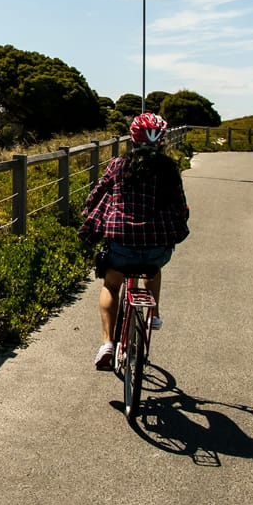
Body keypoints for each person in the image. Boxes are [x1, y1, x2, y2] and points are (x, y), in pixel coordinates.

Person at [78, 112, 190, 371]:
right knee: (153, 269)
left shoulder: (117, 165)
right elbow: (180, 208)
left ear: (133, 138)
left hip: (120, 243)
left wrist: (91, 217)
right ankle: (154, 314)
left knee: (111, 284)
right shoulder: (170, 170)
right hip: (155, 247)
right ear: (162, 141)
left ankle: (107, 343)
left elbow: (95, 196)